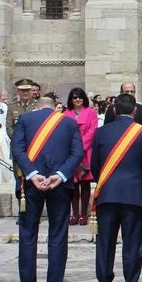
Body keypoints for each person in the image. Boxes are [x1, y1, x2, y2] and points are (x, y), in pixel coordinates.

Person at [12, 96, 84, 282]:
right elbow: (77, 153)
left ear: (38, 107)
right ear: (55, 108)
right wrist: (61, 174)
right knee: (58, 235)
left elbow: (17, 149)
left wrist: (32, 173)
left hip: (30, 185)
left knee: (27, 235)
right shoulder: (69, 122)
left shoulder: (25, 119)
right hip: (58, 184)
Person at [91, 93, 142, 282]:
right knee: (132, 245)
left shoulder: (101, 133)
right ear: (135, 111)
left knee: (105, 245)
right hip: (134, 196)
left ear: (115, 110)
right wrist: (138, 187)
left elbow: (95, 167)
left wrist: (106, 184)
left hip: (107, 195)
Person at [64, 88, 99, 225]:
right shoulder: (66, 114)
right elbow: (64, 132)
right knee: (73, 185)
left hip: (86, 153)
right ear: (71, 100)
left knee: (84, 185)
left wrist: (80, 147)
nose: (78, 100)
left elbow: (92, 131)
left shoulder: (91, 112)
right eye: (74, 98)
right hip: (71, 153)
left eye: (80, 97)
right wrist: (74, 148)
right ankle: (75, 213)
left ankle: (84, 213)